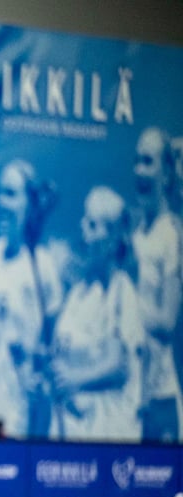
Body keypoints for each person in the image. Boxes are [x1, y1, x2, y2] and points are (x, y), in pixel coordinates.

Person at [0, 159, 63, 439]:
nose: (1, 202)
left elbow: (51, 344)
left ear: (29, 202)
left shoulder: (42, 266)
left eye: (10, 194)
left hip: (11, 409)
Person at [49, 186, 144, 441]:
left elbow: (117, 367)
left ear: (112, 239)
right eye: (83, 221)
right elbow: (61, 358)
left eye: (92, 225)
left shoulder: (121, 291)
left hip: (107, 439)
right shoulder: (76, 294)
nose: (82, 228)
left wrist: (73, 380)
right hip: (69, 433)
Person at [130, 126, 182, 442]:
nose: (139, 170)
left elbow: (167, 321)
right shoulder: (134, 235)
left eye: (148, 162)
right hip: (134, 394)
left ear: (166, 173)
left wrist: (128, 315)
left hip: (162, 396)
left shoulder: (172, 236)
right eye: (136, 161)